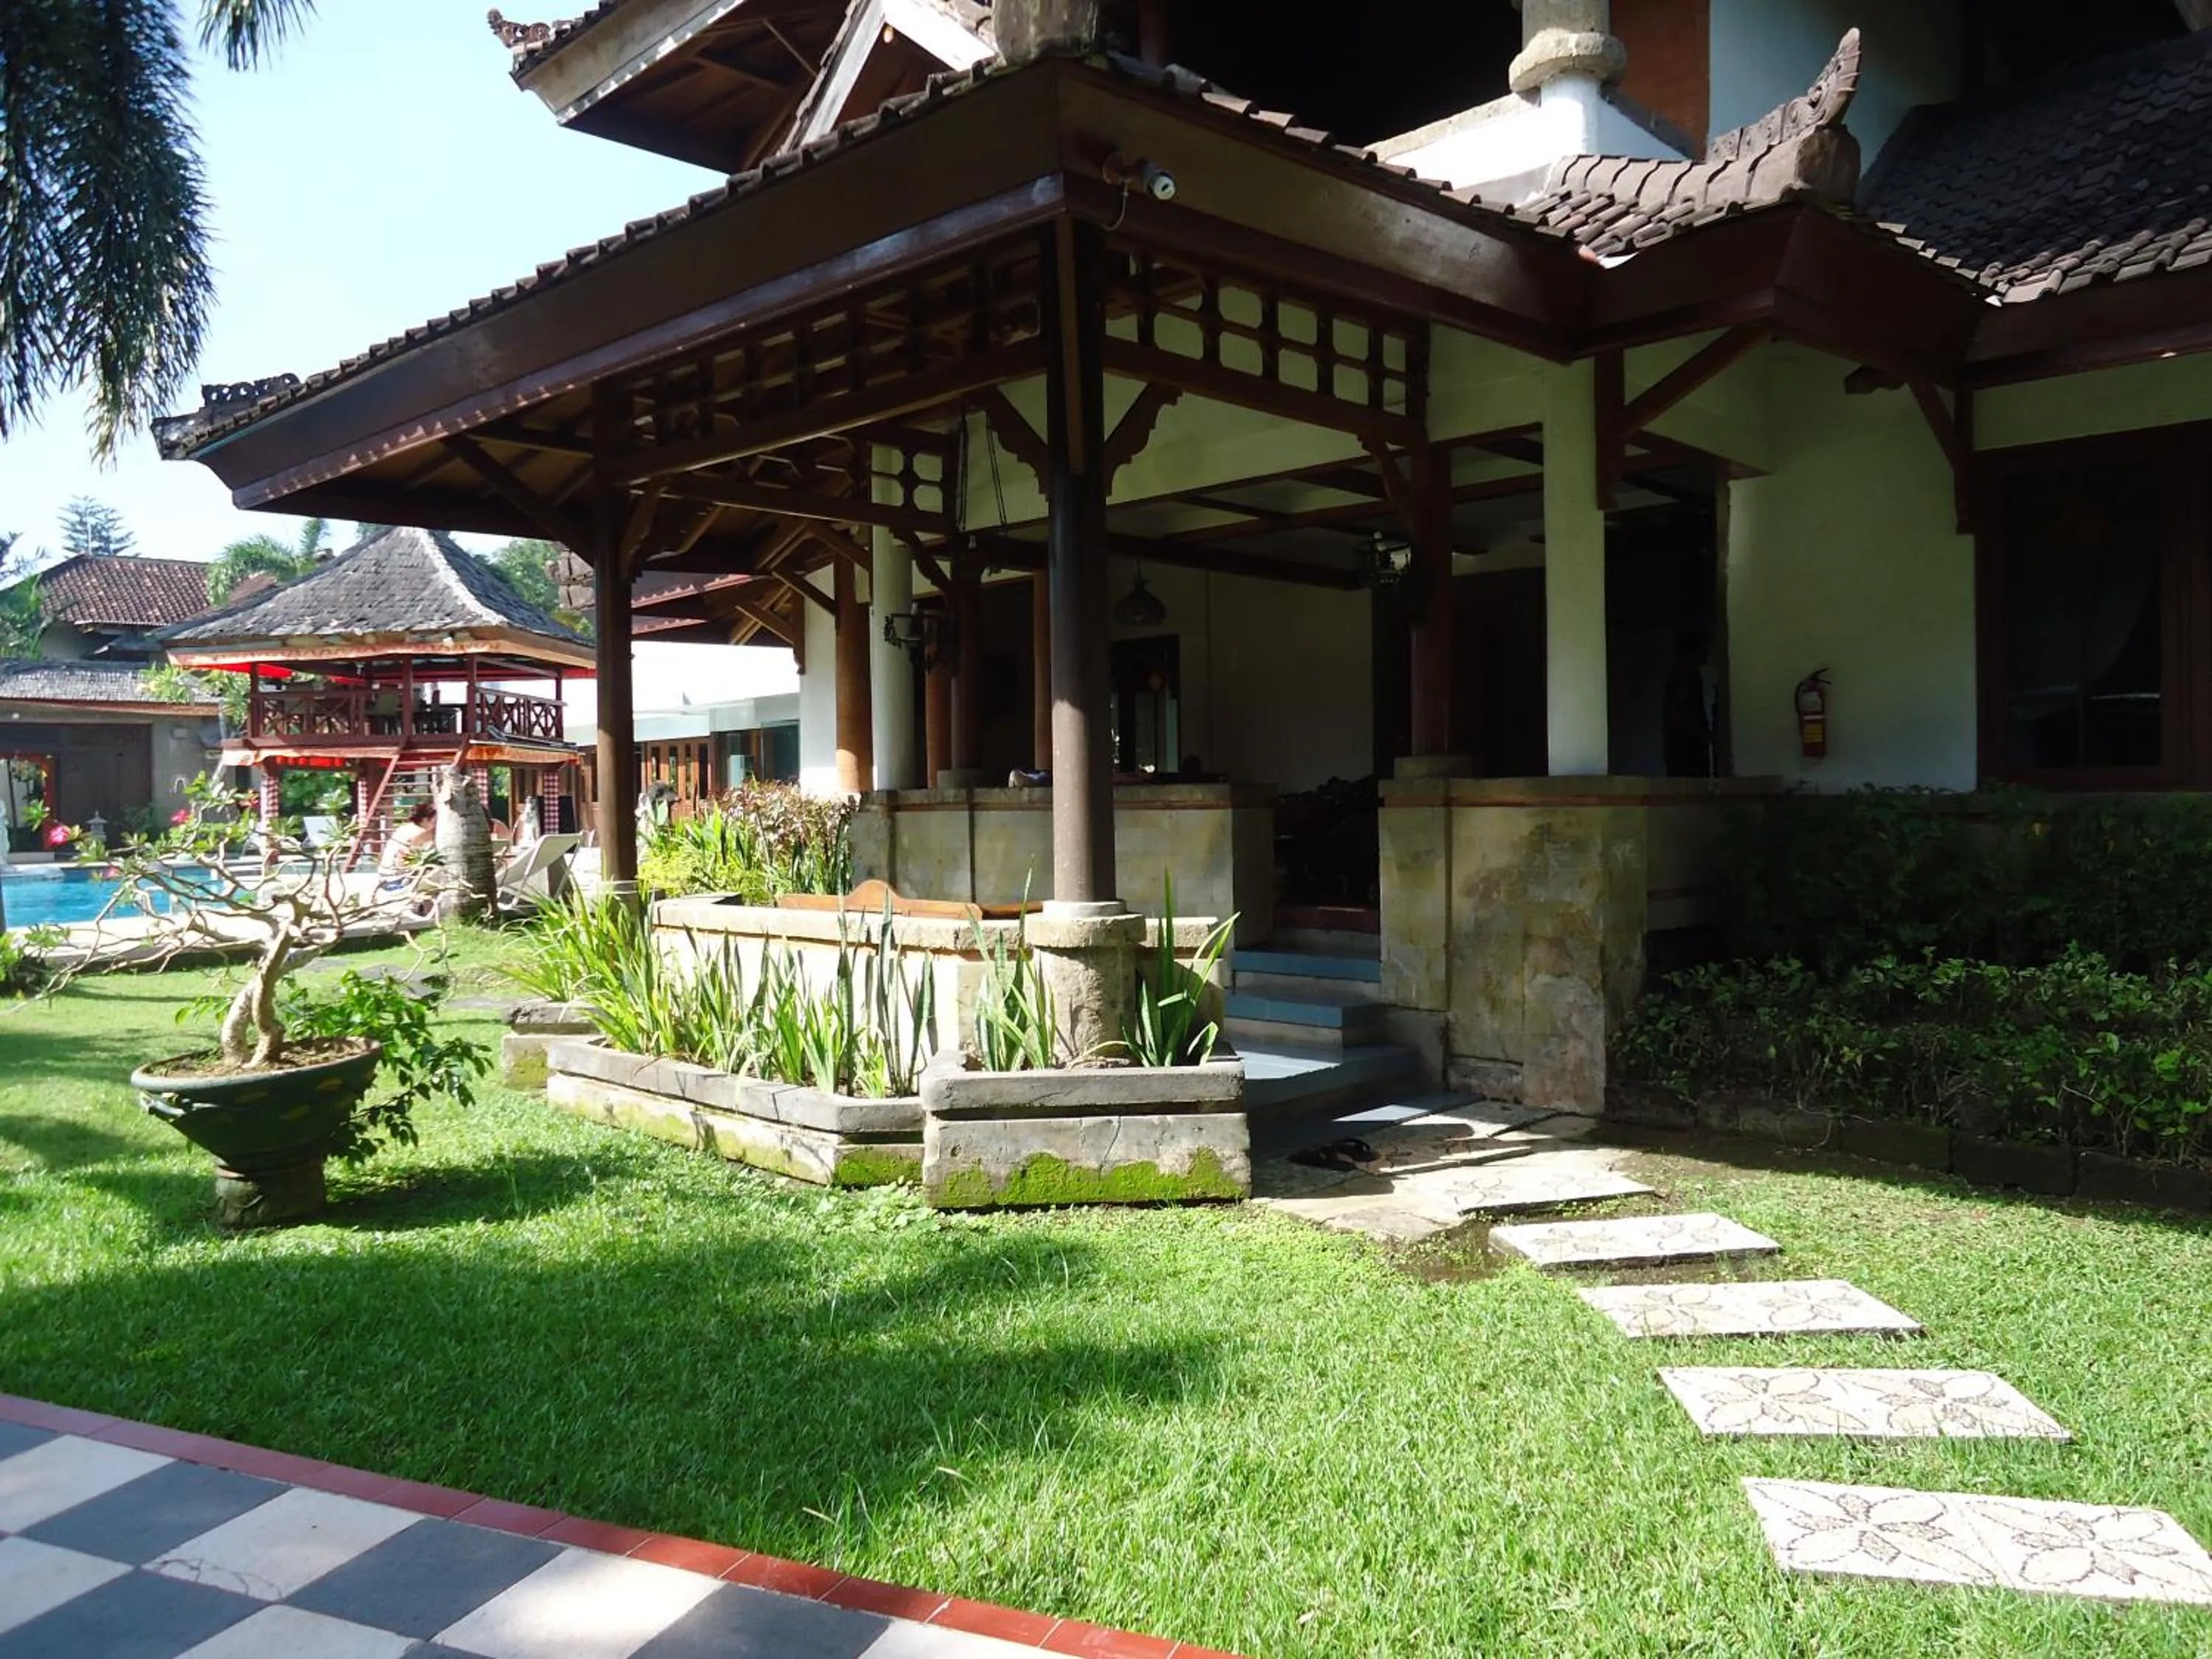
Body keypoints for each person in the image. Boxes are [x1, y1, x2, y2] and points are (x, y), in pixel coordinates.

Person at [379, 801, 437, 875]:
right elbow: (402, 863)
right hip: (398, 877)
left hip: (384, 873)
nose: (436, 823)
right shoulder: (421, 833)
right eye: (434, 820)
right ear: (424, 819)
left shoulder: (404, 829)